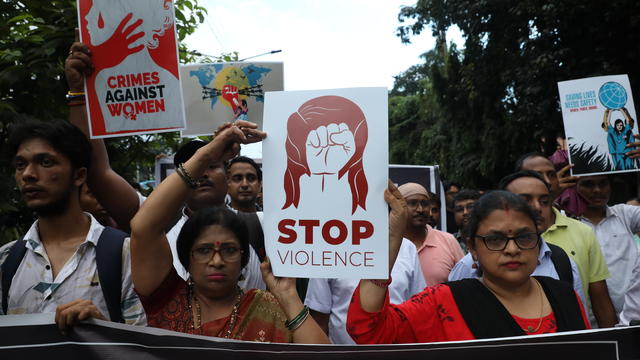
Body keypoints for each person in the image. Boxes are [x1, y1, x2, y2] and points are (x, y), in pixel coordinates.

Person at [65, 38, 265, 290]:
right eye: (192, 166)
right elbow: (97, 172)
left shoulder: (261, 225)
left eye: (212, 164)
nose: (201, 172)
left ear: (227, 173)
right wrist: (79, 94)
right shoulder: (156, 223)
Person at [129, 122, 329, 343]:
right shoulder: (167, 300)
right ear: (187, 257)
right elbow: (142, 227)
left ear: (244, 257)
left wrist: (289, 297)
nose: (217, 261)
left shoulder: (270, 307)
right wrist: (208, 153)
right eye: (204, 250)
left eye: (229, 250)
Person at [347, 189, 590, 343]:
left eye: (524, 237)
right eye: (495, 240)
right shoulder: (443, 300)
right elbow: (368, 331)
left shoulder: (564, 295)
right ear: (473, 248)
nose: (512, 249)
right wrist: (391, 238)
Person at [1, 120, 145, 330]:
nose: (28, 174)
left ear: (79, 175)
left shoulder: (125, 254)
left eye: (46, 162)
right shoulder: (6, 260)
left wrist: (102, 329)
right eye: (20, 165)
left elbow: (146, 348)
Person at [498, 171, 616, 328]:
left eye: (545, 201)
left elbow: (577, 322)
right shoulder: (473, 264)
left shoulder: (562, 262)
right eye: (525, 201)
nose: (537, 208)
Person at [304, 238, 425, 344]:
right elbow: (319, 318)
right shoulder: (328, 247)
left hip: (397, 353)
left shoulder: (407, 247)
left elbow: (418, 311)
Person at [577, 175, 640, 317]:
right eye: (588, 184)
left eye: (603, 183)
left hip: (634, 316)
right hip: (590, 322)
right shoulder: (565, 223)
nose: (597, 190)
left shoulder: (624, 214)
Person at [399, 183, 464, 286]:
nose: (420, 209)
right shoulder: (387, 244)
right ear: (398, 207)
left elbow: (464, 283)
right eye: (412, 203)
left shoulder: (448, 240)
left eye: (425, 204)